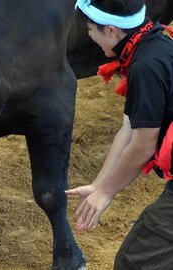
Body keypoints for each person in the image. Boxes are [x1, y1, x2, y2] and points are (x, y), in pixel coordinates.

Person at [66, 0, 173, 268]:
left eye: (91, 29)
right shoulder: (154, 40)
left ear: (112, 31)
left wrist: (106, 194)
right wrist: (99, 185)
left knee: (133, 262)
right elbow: (129, 127)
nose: (90, 36)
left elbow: (142, 145)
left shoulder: (145, 66)